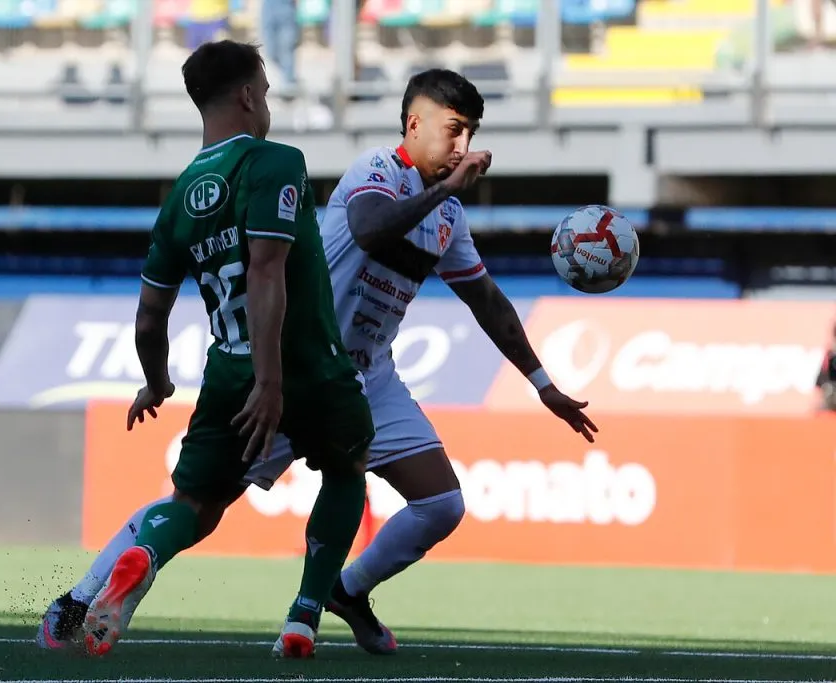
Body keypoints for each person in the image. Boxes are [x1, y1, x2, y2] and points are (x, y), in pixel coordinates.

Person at [39, 68, 595, 658]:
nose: (462, 146)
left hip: (369, 374)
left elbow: (487, 299)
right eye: (453, 129)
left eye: (470, 134)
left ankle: (345, 593)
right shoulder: (376, 172)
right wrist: (448, 186)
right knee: (209, 507)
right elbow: (372, 230)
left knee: (441, 504)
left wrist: (542, 384)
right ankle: (80, 601)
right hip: (299, 360)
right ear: (414, 124)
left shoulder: (448, 216)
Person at [38, 39, 375, 661]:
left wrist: (156, 381)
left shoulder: (176, 202)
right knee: (347, 469)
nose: (267, 102)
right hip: (304, 367)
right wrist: (271, 384)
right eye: (267, 91)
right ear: (248, 95)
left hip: (225, 372)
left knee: (194, 504)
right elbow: (267, 271)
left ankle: (145, 556)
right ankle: (303, 616)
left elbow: (149, 315)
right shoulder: (276, 162)